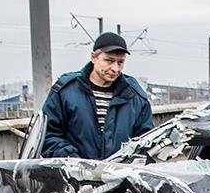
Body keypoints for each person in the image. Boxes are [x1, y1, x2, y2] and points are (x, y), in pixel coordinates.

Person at [40, 31, 154, 160]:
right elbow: (48, 135)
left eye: (120, 62)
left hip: (120, 177)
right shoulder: (65, 91)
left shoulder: (135, 96)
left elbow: (146, 142)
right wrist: (73, 161)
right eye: (108, 60)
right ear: (93, 57)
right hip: (72, 176)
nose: (115, 69)